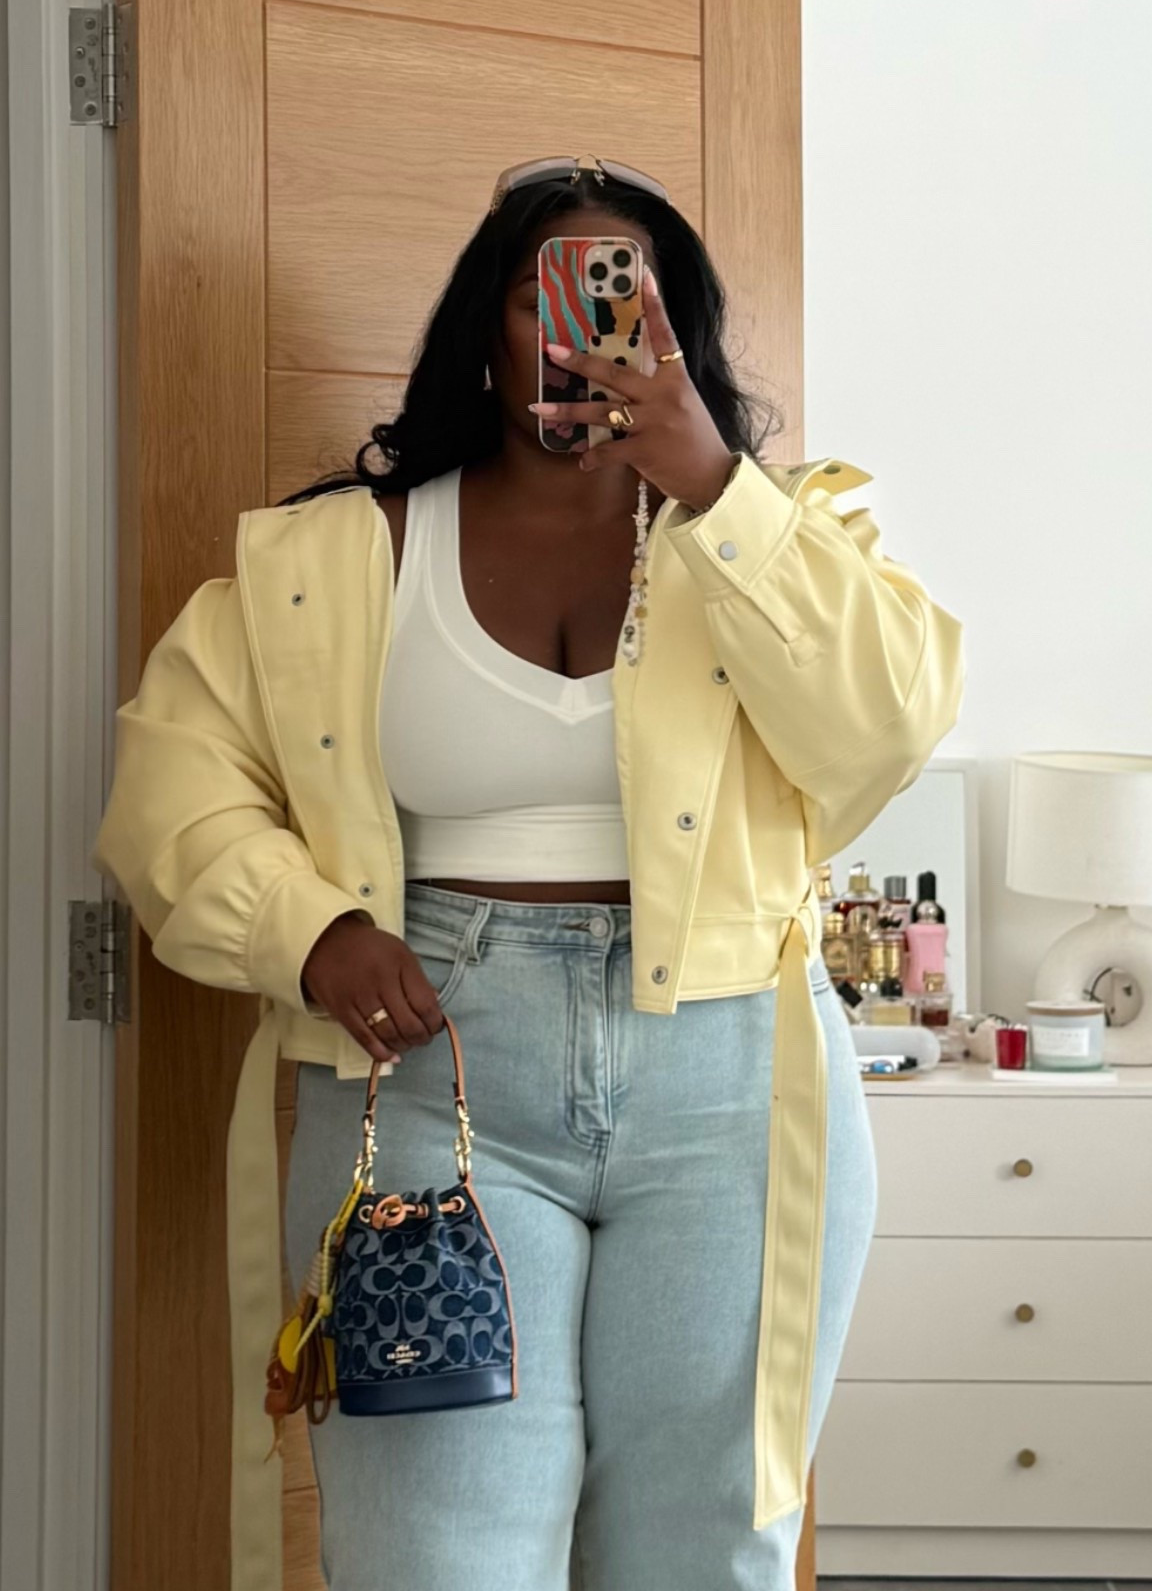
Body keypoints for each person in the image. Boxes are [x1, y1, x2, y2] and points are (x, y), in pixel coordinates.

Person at [91, 155, 966, 1591]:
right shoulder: (339, 554)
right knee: (432, 1554)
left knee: (706, 1546)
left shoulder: (785, 533)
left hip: (737, 1077)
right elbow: (173, 786)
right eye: (547, 293)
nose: (586, 330)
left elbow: (886, 729)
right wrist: (309, 930)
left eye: (629, 297)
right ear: (485, 330)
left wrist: (711, 484)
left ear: (680, 332)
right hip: (428, 1067)